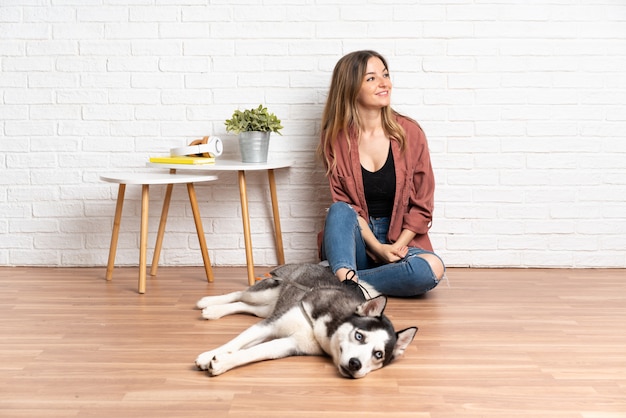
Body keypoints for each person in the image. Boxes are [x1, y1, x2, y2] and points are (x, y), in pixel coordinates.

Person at [317, 50, 445, 297]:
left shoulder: (410, 133)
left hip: (402, 240)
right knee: (339, 210)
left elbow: (422, 207)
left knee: (432, 268)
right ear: (350, 87)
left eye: (385, 75)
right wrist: (376, 248)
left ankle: (341, 283)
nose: (384, 83)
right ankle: (346, 277)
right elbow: (347, 208)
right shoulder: (334, 139)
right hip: (359, 241)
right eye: (371, 78)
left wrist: (394, 248)